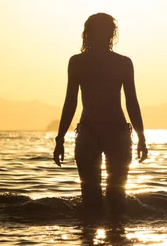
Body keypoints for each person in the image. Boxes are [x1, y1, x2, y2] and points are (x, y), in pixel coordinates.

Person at [53, 13, 148, 216]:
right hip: (93, 133)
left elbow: (132, 102)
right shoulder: (78, 62)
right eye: (99, 31)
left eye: (106, 32)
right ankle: (99, 241)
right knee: (95, 198)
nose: (103, 36)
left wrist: (142, 138)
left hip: (113, 134)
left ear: (110, 34)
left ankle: (108, 240)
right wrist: (59, 138)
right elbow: (70, 102)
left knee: (113, 198)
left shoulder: (122, 63)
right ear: (90, 34)